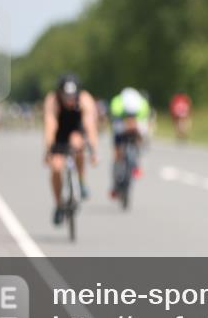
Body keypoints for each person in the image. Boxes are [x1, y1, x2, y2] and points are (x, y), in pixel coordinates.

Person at [43, 74, 99, 225]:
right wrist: (48, 150)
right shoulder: (52, 100)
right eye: (66, 96)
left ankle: (81, 181)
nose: (69, 99)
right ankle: (59, 204)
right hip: (60, 131)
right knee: (56, 167)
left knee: (77, 144)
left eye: (72, 96)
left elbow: (90, 125)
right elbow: (50, 126)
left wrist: (93, 151)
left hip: (76, 128)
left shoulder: (85, 99)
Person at [109, 87, 150, 196]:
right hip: (121, 126)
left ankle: (137, 163)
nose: (130, 117)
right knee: (117, 153)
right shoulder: (117, 103)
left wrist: (138, 131)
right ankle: (115, 181)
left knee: (140, 138)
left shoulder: (142, 105)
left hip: (136, 128)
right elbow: (114, 122)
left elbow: (144, 123)